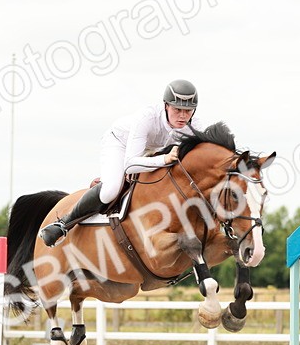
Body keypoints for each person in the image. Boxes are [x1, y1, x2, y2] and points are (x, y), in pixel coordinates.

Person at [39, 79, 204, 247]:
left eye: (188, 111)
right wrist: (164, 159)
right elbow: (130, 164)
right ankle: (63, 224)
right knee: (110, 191)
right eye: (177, 109)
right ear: (166, 106)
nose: (183, 116)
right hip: (120, 145)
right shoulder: (147, 117)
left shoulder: (195, 126)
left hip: (149, 152)